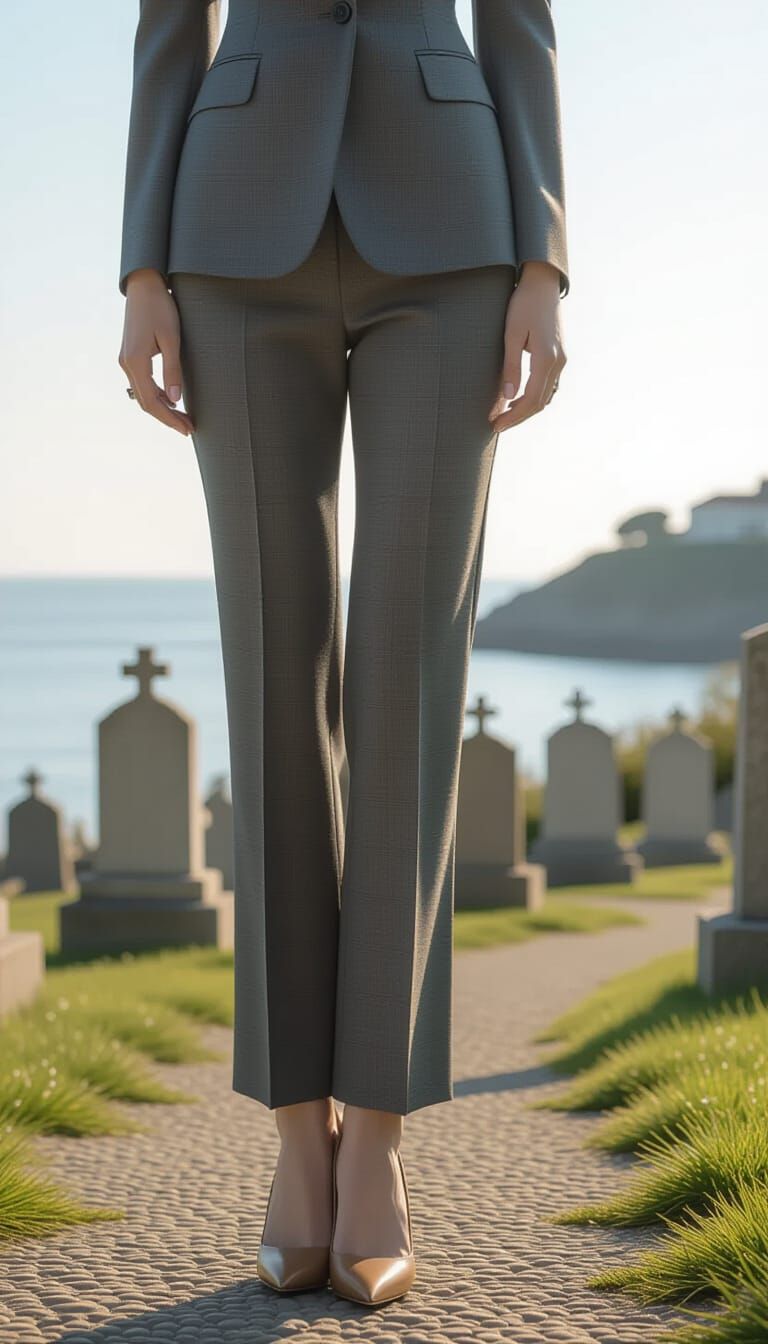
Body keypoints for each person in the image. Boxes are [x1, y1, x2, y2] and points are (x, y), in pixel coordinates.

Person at [117, 0, 568, 1307]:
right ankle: (292, 1134)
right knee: (271, 683)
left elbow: (522, 16)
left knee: (409, 683)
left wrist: (542, 257)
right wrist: (140, 267)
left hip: (454, 219)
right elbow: (164, 24)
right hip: (230, 218)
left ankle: (373, 1135)